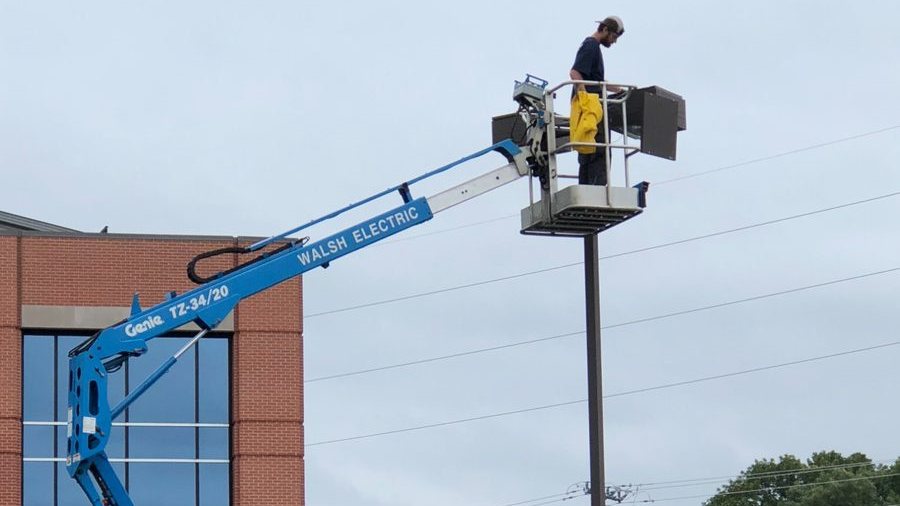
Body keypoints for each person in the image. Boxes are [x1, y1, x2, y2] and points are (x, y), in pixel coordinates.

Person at [569, 16, 625, 186]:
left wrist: (620, 90)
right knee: (599, 150)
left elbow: (597, 80)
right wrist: (585, 99)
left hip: (589, 106)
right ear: (605, 30)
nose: (614, 42)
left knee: (588, 149)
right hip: (591, 108)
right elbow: (574, 73)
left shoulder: (592, 47)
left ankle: (586, 189)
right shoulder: (591, 45)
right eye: (614, 37)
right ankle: (597, 191)